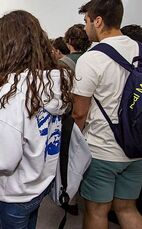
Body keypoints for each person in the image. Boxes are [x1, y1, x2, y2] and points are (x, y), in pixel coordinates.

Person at [0, 10, 72, 229]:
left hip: (14, 193)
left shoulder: (11, 93)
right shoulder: (51, 81)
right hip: (39, 183)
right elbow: (30, 120)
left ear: (12, 46)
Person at [72, 1, 142, 228]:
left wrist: (75, 147)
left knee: (97, 213)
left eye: (86, 22)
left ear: (98, 21)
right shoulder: (140, 49)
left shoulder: (92, 58)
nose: (85, 29)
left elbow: (79, 113)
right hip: (136, 147)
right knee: (128, 208)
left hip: (102, 151)